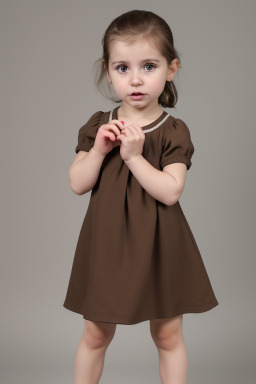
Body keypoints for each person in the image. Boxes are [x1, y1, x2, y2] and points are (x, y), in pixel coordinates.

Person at [63, 9, 219, 384]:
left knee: (167, 335)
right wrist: (99, 151)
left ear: (171, 69)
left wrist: (133, 157)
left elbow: (171, 191)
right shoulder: (99, 125)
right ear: (107, 71)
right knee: (96, 333)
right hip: (107, 243)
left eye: (149, 66)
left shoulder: (173, 130)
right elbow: (77, 182)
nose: (135, 79)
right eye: (122, 68)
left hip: (161, 244)